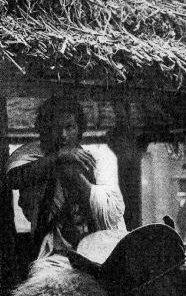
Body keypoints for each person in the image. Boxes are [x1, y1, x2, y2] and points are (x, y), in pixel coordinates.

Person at [5, 95, 125, 259]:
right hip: (53, 249)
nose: (63, 135)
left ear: (79, 129)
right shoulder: (31, 153)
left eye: (70, 127)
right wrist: (58, 157)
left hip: (94, 248)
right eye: (56, 128)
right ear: (45, 129)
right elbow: (12, 178)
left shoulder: (96, 160)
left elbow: (113, 209)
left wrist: (74, 174)